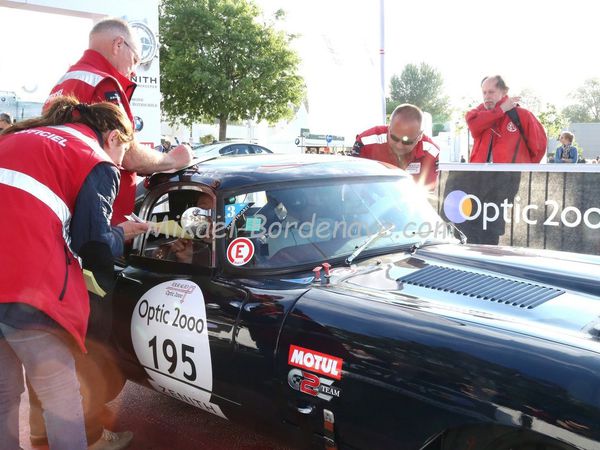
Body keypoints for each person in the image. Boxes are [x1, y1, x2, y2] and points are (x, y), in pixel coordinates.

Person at [0, 96, 149, 450]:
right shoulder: (93, 159)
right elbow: (92, 244)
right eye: (123, 154)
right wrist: (123, 234)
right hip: (28, 289)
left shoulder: (19, 138)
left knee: (4, 394)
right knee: (61, 398)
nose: (121, 164)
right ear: (113, 138)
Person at [45, 17, 193, 225]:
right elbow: (128, 154)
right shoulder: (102, 83)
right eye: (135, 60)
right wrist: (173, 160)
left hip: (67, 213)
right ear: (118, 45)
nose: (134, 71)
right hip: (96, 221)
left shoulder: (66, 81)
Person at [352, 103, 440, 190]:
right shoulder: (365, 142)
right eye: (394, 138)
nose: (399, 146)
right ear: (389, 128)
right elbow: (353, 186)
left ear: (420, 136)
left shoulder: (431, 152)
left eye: (407, 142)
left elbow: (427, 192)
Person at [466, 75, 547, 163]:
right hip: (479, 175)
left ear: (504, 92)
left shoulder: (522, 115)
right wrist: (500, 110)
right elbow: (472, 124)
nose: (487, 96)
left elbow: (539, 147)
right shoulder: (479, 113)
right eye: (484, 92)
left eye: (491, 92)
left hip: (511, 175)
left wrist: (523, 170)